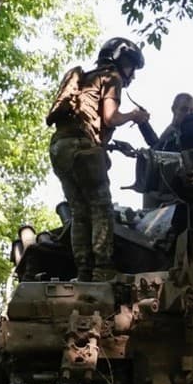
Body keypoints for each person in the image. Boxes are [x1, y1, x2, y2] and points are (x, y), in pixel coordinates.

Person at [46, 37, 150, 281]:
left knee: (79, 212)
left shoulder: (87, 78)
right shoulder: (111, 78)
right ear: (120, 59)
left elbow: (89, 121)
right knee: (101, 208)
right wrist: (134, 116)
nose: (132, 74)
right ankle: (103, 268)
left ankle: (84, 270)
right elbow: (111, 117)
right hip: (82, 148)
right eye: (131, 67)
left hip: (60, 147)